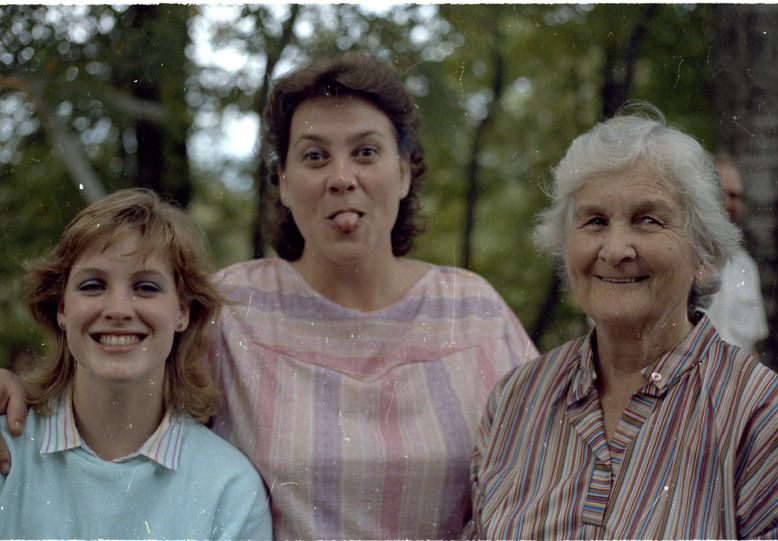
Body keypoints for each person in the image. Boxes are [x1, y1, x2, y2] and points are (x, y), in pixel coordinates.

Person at [0, 54, 538, 539]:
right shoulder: (232, 309)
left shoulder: (476, 311)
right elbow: (115, 395)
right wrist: (10, 394)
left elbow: (548, 457)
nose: (342, 177)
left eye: (366, 152)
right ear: (282, 181)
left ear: (403, 172)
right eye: (314, 156)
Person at [468, 105, 778, 539]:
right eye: (596, 221)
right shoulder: (513, 403)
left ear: (705, 255)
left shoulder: (762, 415)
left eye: (648, 220)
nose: (616, 248)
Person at [0, 189, 271, 539]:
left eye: (145, 287)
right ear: (62, 309)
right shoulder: (8, 451)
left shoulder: (229, 488)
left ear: (182, 312)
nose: (118, 309)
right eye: (93, 285)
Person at [704, 152, 769, 355]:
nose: (729, 203)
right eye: (720, 193)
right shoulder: (680, 261)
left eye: (735, 195)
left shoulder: (745, 266)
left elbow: (750, 347)